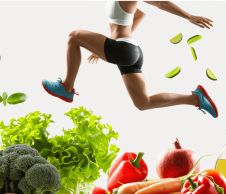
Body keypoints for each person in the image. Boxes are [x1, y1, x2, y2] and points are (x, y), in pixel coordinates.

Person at [42, 1, 217, 118]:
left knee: (74, 36)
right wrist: (103, 47)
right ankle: (195, 99)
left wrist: (189, 16)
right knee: (143, 103)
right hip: (128, 50)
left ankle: (67, 87)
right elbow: (140, 15)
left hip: (123, 49)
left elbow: (161, 3)